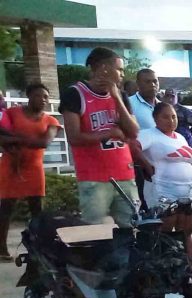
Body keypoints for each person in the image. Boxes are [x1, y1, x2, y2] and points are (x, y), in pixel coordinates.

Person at [128, 102, 192, 278]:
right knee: (164, 232)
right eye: (165, 117)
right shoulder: (150, 134)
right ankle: (164, 271)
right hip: (163, 191)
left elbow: (189, 159)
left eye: (173, 116)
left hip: (187, 192)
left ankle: (191, 267)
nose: (170, 120)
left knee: (186, 231)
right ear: (155, 119)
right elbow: (133, 146)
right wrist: (146, 164)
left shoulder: (180, 137)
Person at [58, 47, 140, 227]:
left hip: (124, 174)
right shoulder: (75, 93)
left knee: (132, 228)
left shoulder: (121, 96)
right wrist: (110, 133)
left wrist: (117, 98)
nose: (122, 74)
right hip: (94, 178)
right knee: (93, 231)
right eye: (119, 69)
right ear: (103, 68)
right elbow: (74, 137)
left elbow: (133, 132)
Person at [0, 83, 60, 262]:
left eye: (45, 97)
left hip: (34, 168)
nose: (42, 100)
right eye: (38, 96)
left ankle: (40, 246)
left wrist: (15, 139)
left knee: (37, 209)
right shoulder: (12, 113)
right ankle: (2, 249)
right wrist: (16, 140)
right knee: (5, 209)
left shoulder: (51, 120)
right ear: (28, 96)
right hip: (10, 166)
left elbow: (43, 143)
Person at [130, 69, 160, 207]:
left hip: (160, 165)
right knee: (144, 206)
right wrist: (144, 164)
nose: (152, 85)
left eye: (155, 81)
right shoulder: (129, 104)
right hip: (139, 166)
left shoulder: (162, 107)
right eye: (147, 82)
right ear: (138, 84)